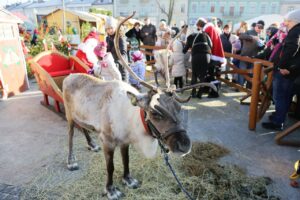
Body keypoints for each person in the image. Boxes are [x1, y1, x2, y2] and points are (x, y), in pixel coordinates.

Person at [262, 9, 300, 130]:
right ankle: (279, 117)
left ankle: (278, 122)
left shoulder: (296, 31)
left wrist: (282, 66)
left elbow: (291, 49)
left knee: (281, 97)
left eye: (288, 21)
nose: (286, 24)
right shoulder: (296, 30)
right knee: (284, 96)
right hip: (290, 71)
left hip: (284, 72)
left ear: (295, 21)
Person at [196, 18, 226, 98]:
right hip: (214, 54)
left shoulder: (208, 29)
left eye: (198, 27)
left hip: (214, 55)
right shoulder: (210, 28)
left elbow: (208, 43)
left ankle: (215, 92)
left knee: (212, 74)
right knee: (210, 73)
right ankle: (207, 88)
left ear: (199, 25)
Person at [183, 20, 212, 98]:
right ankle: (200, 93)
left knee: (194, 75)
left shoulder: (190, 36)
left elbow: (184, 50)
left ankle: (193, 92)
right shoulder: (206, 35)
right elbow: (211, 45)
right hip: (206, 55)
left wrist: (186, 47)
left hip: (196, 56)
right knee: (203, 75)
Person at [238, 21, 265, 87]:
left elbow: (261, 47)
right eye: (258, 27)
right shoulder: (249, 32)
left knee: (252, 72)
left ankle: (248, 86)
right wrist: (252, 37)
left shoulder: (262, 35)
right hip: (244, 55)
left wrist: (263, 46)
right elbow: (241, 36)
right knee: (242, 71)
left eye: (261, 28)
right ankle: (239, 86)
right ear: (255, 27)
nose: (259, 29)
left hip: (254, 57)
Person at [105, 17, 128, 82]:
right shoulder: (108, 38)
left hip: (121, 68)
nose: (110, 30)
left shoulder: (120, 38)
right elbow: (107, 52)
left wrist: (116, 64)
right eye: (108, 29)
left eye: (111, 28)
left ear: (115, 27)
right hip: (112, 69)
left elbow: (123, 54)